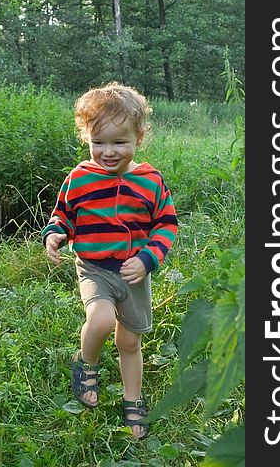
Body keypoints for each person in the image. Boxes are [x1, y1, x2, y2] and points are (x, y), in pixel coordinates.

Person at [42, 82, 178, 439]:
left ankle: (133, 401)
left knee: (130, 342)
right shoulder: (80, 178)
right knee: (100, 321)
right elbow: (64, 215)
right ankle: (85, 364)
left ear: (139, 138)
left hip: (134, 273)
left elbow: (166, 224)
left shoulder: (150, 182)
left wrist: (149, 259)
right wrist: (55, 233)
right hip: (95, 267)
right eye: (98, 142)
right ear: (86, 137)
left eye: (120, 142)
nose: (108, 152)